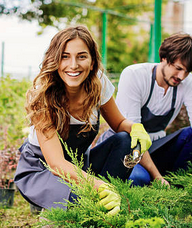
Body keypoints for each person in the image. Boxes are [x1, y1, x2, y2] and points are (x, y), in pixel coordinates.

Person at [14, 25, 152, 215]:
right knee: (84, 203)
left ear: (92, 60)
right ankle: (72, 205)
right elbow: (56, 164)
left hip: (79, 166)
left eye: (81, 56)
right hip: (43, 169)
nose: (73, 65)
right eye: (65, 56)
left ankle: (109, 202)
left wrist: (136, 128)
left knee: (124, 140)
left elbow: (119, 124)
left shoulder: (98, 83)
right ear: (55, 59)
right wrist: (98, 185)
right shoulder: (43, 95)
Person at [97, 32, 192, 187]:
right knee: (138, 179)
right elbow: (133, 135)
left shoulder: (186, 82)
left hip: (157, 147)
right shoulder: (134, 75)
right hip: (127, 147)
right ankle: (157, 179)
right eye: (178, 68)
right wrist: (157, 176)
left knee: (189, 135)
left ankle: (178, 184)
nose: (181, 76)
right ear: (164, 59)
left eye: (187, 71)